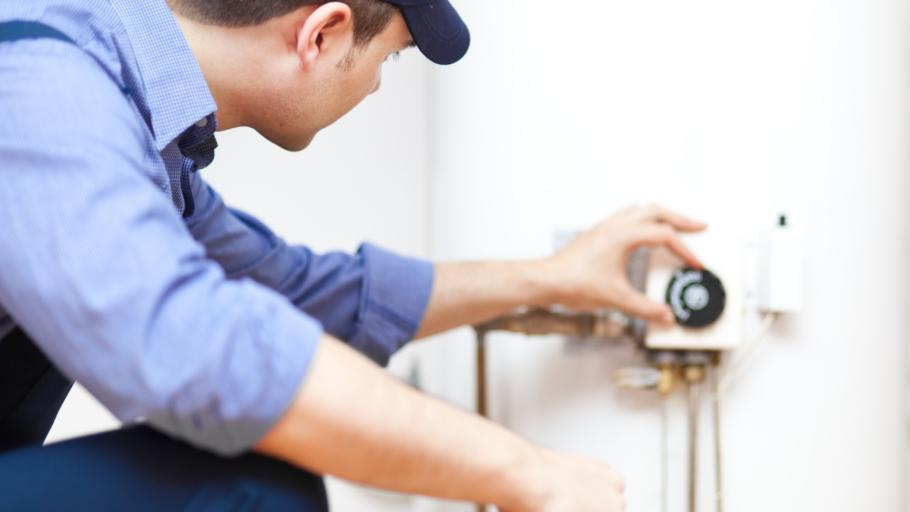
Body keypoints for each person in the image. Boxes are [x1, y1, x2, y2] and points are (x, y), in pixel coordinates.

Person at [0, 0, 707, 510]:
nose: (374, 84)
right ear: (323, 32)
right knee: (253, 488)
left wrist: (551, 279)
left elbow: (299, 295)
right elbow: (200, 350)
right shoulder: (43, 79)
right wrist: (527, 471)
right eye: (389, 57)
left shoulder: (140, 128)